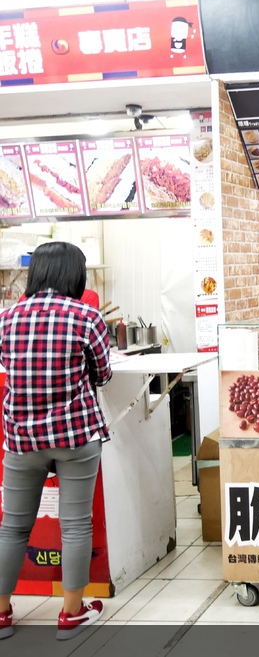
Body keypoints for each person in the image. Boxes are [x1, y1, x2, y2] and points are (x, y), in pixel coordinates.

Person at [0, 242, 112, 642]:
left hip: (21, 437)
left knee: (12, 528)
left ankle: (1, 614)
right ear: (73, 275)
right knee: (76, 525)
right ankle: (71, 613)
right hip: (74, 434)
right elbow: (102, 374)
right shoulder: (86, 316)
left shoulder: (6, 317)